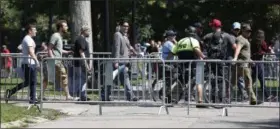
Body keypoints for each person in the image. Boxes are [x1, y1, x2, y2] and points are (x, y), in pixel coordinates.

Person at [5, 24, 40, 104]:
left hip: (27, 63)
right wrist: (37, 61)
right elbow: (31, 52)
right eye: (34, 30)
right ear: (30, 31)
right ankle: (33, 99)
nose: (36, 31)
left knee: (29, 82)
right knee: (32, 82)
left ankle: (12, 92)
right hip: (29, 63)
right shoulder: (28, 39)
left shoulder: (27, 39)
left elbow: (22, 49)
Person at [172, 26, 206, 107]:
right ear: (194, 33)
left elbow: (173, 52)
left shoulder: (180, 41)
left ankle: (173, 99)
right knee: (199, 82)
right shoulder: (193, 40)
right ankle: (200, 101)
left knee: (181, 82)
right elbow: (196, 49)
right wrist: (204, 57)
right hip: (194, 65)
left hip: (183, 66)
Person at [203, 19, 236, 102]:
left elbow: (202, 43)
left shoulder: (208, 36)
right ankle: (221, 99)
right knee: (221, 79)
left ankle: (213, 99)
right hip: (221, 61)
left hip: (210, 61)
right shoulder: (227, 36)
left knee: (213, 79)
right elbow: (234, 47)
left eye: (212, 26)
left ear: (214, 26)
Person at [232, 24, 263, 105]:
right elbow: (238, 49)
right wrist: (235, 58)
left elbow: (243, 53)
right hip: (243, 65)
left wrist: (250, 60)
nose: (249, 33)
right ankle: (253, 100)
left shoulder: (244, 39)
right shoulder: (241, 39)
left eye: (250, 31)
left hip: (243, 63)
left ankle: (225, 98)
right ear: (242, 31)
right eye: (247, 31)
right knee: (248, 82)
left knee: (233, 82)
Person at [110, 21, 138, 101]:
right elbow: (117, 48)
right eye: (124, 26)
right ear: (121, 26)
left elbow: (129, 45)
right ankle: (104, 94)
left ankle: (130, 96)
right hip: (119, 61)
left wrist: (135, 52)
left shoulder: (124, 36)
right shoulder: (117, 35)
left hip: (124, 61)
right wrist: (116, 61)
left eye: (127, 26)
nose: (126, 28)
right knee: (111, 79)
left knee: (124, 78)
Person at [47, 20, 73, 100]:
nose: (67, 27)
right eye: (65, 26)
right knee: (64, 76)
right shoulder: (55, 36)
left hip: (58, 60)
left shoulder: (59, 37)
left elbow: (58, 49)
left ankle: (67, 95)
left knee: (47, 78)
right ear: (61, 27)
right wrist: (53, 59)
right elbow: (49, 48)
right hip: (56, 61)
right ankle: (68, 95)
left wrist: (67, 52)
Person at [251, 29, 275, 101]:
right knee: (261, 80)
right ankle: (267, 96)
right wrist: (270, 47)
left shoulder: (253, 41)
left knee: (252, 80)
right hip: (259, 62)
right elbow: (266, 50)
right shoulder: (262, 42)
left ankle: (246, 93)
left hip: (253, 62)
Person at [72, 25, 91, 101]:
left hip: (81, 63)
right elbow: (81, 52)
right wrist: (86, 64)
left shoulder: (82, 39)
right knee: (81, 79)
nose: (89, 32)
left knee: (83, 80)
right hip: (80, 64)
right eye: (88, 31)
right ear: (84, 31)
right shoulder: (81, 39)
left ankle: (83, 95)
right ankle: (80, 96)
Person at [230, 22, 249, 101]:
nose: (237, 31)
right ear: (232, 29)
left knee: (239, 79)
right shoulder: (231, 37)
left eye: (238, 29)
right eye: (235, 29)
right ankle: (228, 96)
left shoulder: (239, 37)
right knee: (235, 80)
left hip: (238, 61)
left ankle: (244, 95)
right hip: (233, 60)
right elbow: (236, 48)